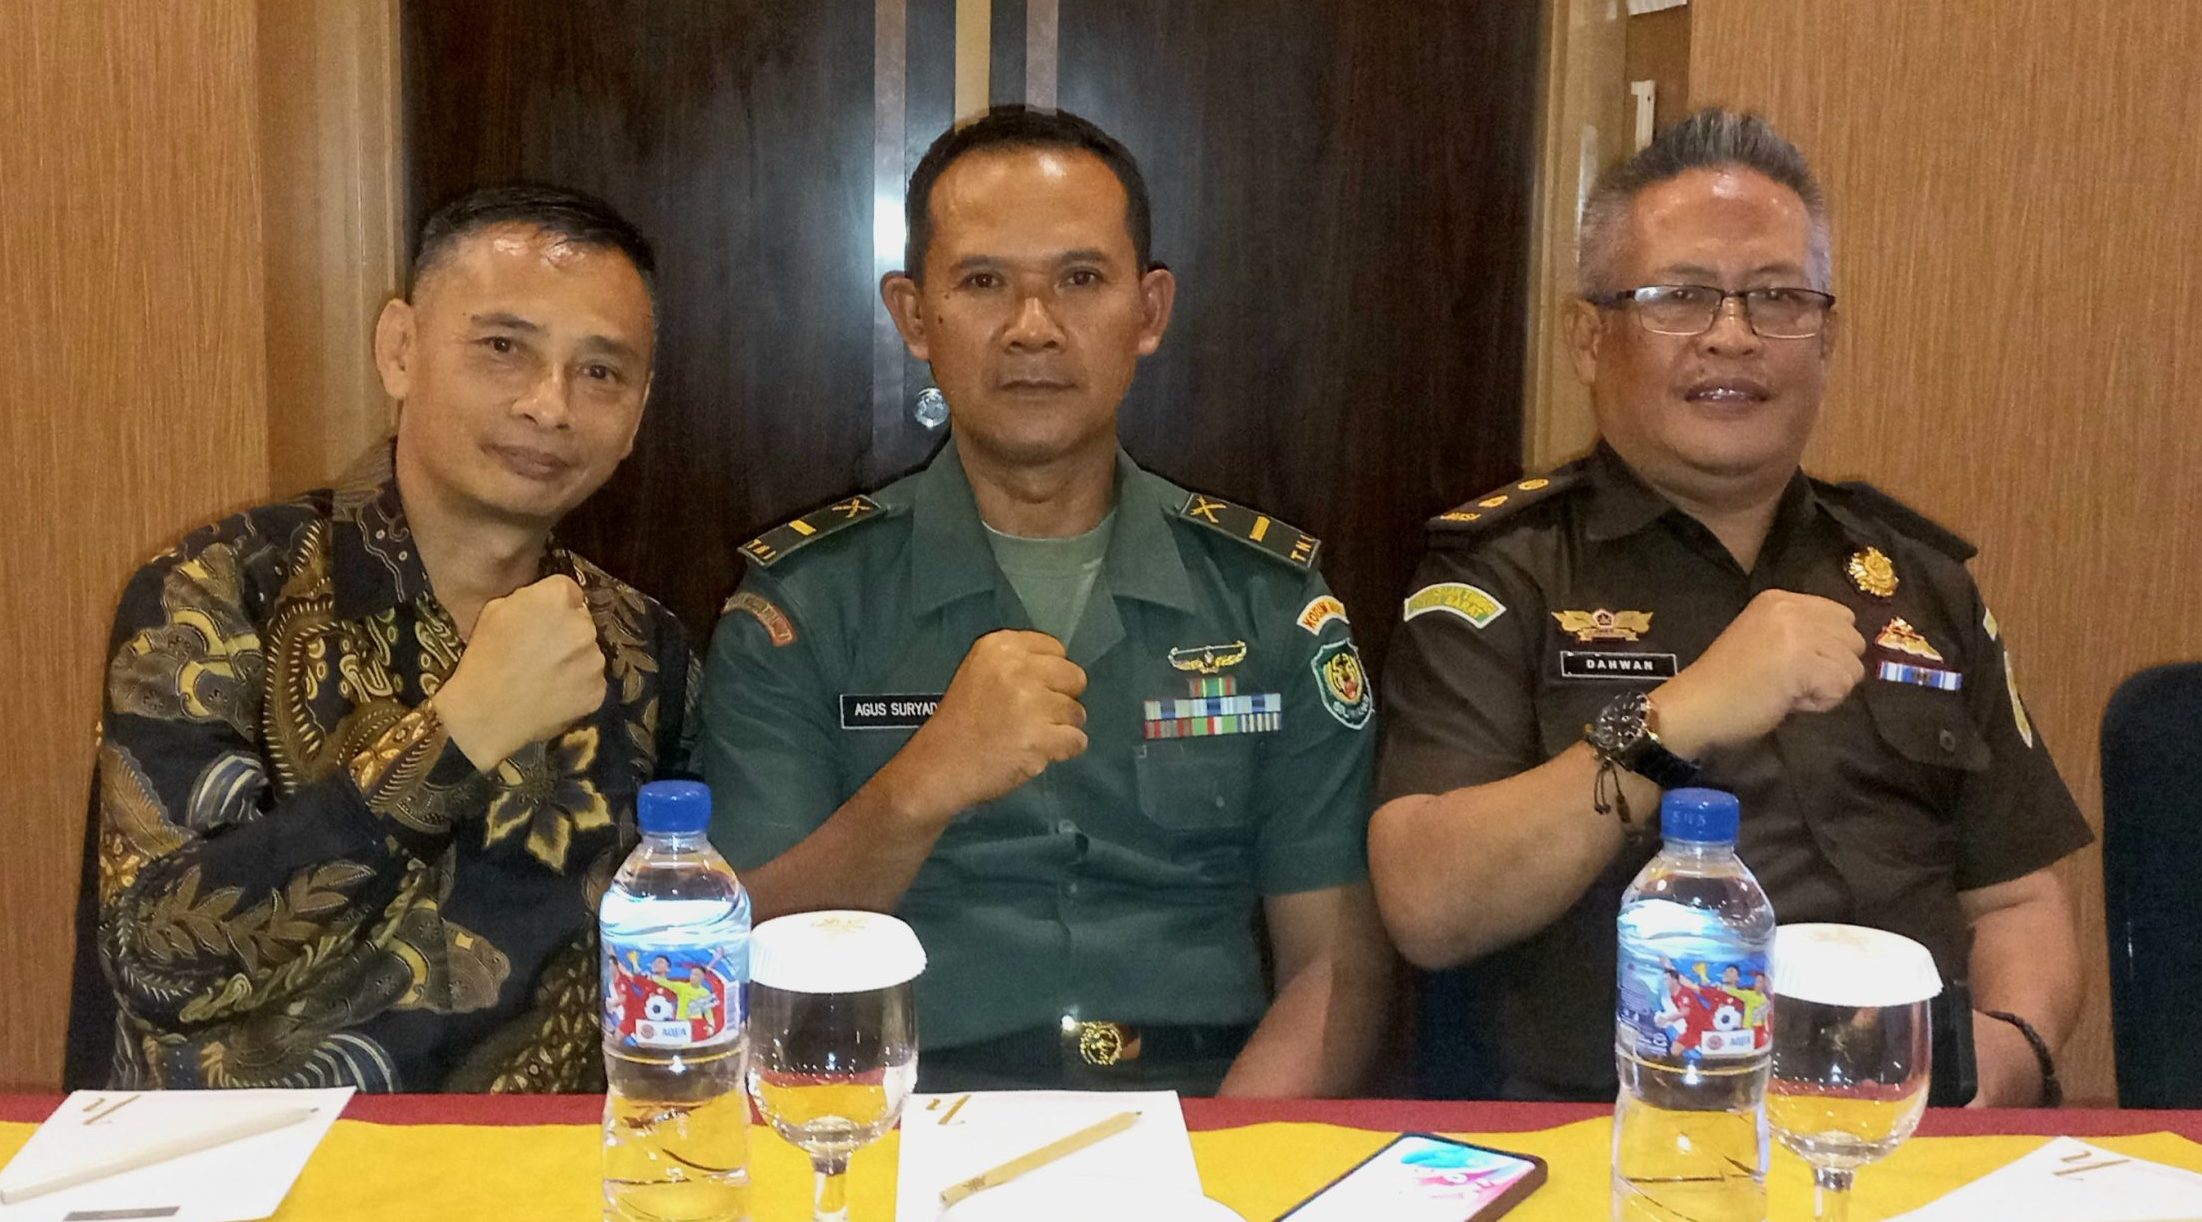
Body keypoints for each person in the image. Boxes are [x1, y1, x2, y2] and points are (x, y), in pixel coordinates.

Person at [1370, 109, 2090, 1105]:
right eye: (1681, 297)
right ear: (1589, 337)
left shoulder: (1921, 581)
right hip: (1614, 1137)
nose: (1733, 336)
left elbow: (2019, 901)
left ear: (1827, 335)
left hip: (1907, 1141)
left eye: (1779, 298)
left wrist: (2004, 1060)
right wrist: (1675, 720)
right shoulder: (1504, 575)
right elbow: (1428, 902)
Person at [697, 106, 1389, 1095]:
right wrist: (918, 788)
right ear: (914, 316)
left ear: (1148, 311)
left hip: (1203, 1104)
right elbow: (739, 955)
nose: (1033, 327)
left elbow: (1335, 964)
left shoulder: (1266, 599)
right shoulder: (804, 605)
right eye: (983, 282)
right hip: (899, 1107)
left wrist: (1226, 1157)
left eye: (1080, 280)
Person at [90, 185, 695, 1091]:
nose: (550, 406)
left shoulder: (643, 648)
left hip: (550, 1159)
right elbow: (157, 964)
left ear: (638, 412)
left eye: (601, 372)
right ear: (401, 350)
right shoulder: (219, 588)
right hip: (266, 1157)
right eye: (503, 348)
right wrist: (463, 732)